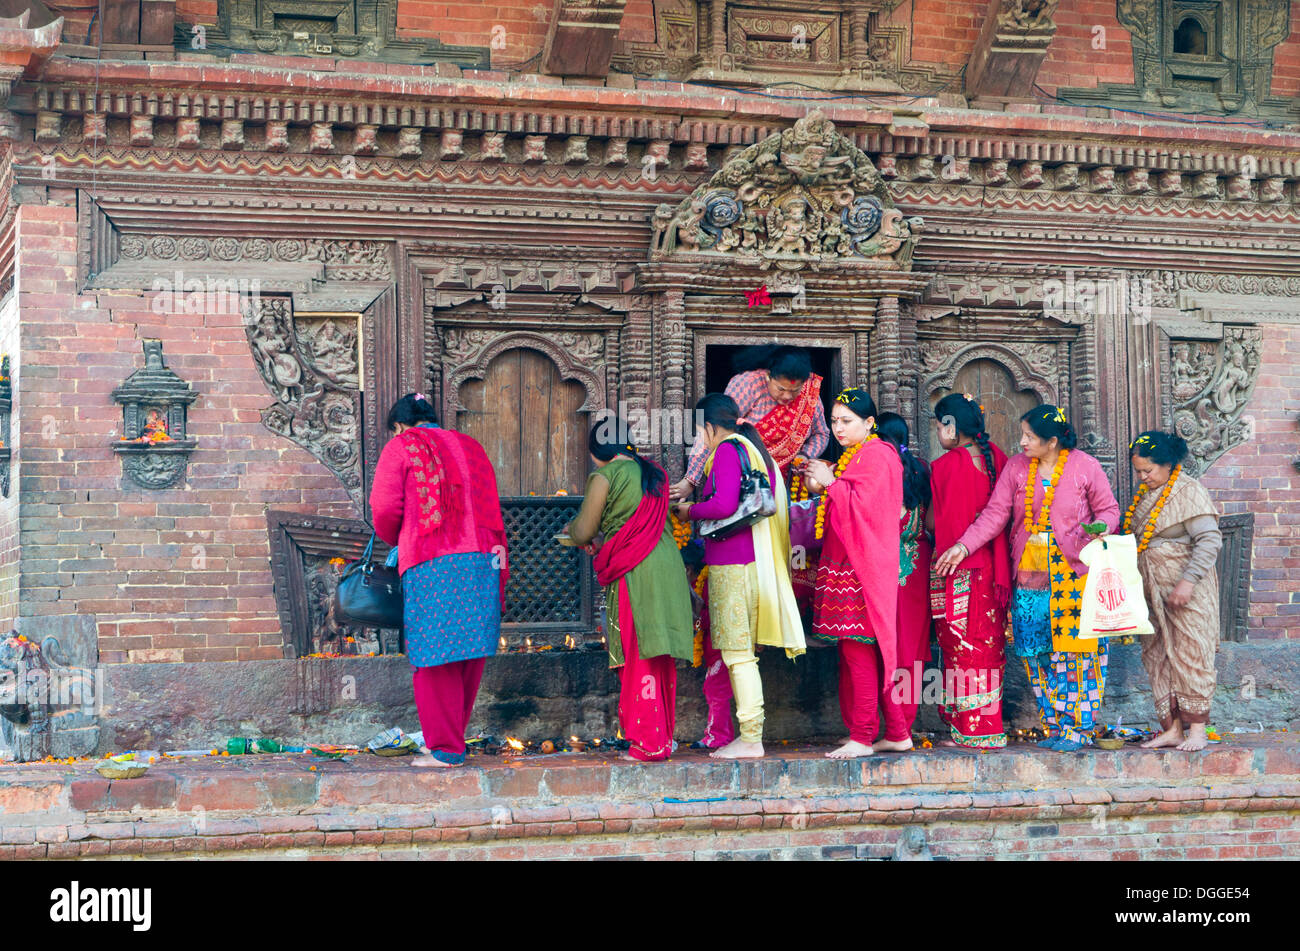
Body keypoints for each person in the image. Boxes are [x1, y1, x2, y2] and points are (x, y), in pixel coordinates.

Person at [935, 404, 1120, 752]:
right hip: (1029, 575)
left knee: (1076, 654)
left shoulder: (1084, 466)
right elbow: (995, 513)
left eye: (1029, 437)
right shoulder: (1018, 468)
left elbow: (1109, 510)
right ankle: (1053, 725)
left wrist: (1101, 529)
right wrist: (963, 546)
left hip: (1073, 575)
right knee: (1036, 652)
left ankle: (1077, 729)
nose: (1021, 442)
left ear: (1052, 442)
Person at [370, 393, 509, 768]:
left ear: (399, 426)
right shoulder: (471, 446)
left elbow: (384, 509)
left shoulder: (401, 447)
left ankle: (445, 749)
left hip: (432, 558)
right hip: (484, 557)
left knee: (433, 656)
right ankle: (452, 742)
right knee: (469, 650)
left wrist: (399, 538)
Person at [673, 394, 805, 759]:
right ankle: (749, 735)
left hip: (733, 566)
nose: (700, 441)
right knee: (740, 653)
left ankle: (750, 737)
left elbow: (725, 505)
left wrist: (688, 511)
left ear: (710, 428)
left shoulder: (729, 450)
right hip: (745, 563)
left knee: (737, 654)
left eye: (700, 434)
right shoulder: (750, 448)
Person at [565, 417, 694, 762]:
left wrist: (574, 532)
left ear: (597, 452)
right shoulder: (654, 473)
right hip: (668, 565)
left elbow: (583, 530)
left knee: (639, 654)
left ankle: (648, 745)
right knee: (659, 655)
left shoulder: (605, 476)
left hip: (636, 568)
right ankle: (662, 739)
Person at [801, 388, 905, 759]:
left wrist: (831, 484)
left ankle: (862, 736)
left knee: (857, 649)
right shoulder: (856, 456)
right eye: (833, 421)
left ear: (870, 423)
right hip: (849, 562)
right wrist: (827, 481)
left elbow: (868, 510)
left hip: (862, 567)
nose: (838, 429)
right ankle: (897, 732)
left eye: (846, 421)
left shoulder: (877, 456)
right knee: (865, 650)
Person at [1128, 431, 1222, 752]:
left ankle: (1197, 730)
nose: (1143, 477)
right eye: (1138, 471)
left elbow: (1210, 540)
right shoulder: (1145, 496)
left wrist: (1188, 580)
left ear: (1168, 465)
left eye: (1148, 471)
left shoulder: (1189, 491)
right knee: (1157, 655)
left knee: (1191, 652)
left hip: (1187, 591)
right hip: (1152, 592)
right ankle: (1171, 729)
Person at [927, 394, 1011, 749]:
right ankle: (987, 726)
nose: (938, 432)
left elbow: (933, 521)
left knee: (961, 648)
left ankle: (971, 730)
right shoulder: (1001, 459)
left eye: (939, 425)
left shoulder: (945, 466)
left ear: (950, 426)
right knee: (986, 645)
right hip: (991, 570)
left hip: (957, 568)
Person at [671, 345, 829, 500]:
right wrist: (691, 480)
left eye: (795, 391)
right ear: (768, 376)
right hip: (744, 478)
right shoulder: (748, 384)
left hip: (787, 481)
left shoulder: (809, 391)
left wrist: (805, 455)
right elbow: (713, 429)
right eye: (781, 389)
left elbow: (821, 433)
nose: (788, 396)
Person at [875, 412, 933, 743]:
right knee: (912, 645)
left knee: (887, 644)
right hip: (917, 560)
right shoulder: (922, 468)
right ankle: (904, 726)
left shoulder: (879, 467)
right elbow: (933, 523)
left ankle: (894, 728)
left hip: (884, 561)